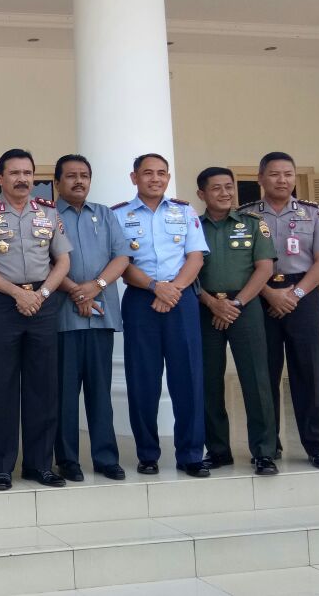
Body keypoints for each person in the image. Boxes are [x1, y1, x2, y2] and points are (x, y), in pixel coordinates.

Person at [0, 149, 72, 489]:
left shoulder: (48, 211)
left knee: (43, 386)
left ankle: (39, 465)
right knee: (2, 385)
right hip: (2, 303)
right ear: (0, 178)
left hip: (43, 302)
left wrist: (40, 295)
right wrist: (17, 294)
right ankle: (2, 466)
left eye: (28, 172)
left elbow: (63, 261)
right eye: (14, 173)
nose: (23, 179)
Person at [114, 153, 209, 477]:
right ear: (134, 177)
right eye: (147, 173)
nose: (155, 179)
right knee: (143, 380)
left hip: (180, 300)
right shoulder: (119, 215)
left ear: (168, 178)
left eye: (161, 173)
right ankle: (147, 453)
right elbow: (122, 264)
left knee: (189, 378)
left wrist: (172, 291)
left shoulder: (183, 211)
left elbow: (195, 258)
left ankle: (191, 453)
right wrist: (156, 288)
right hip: (141, 300)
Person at [242, 151, 319, 469]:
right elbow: (245, 265)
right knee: (263, 373)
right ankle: (267, 446)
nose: (281, 180)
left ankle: (317, 446)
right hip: (260, 292)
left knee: (309, 371)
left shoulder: (314, 213)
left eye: (287, 174)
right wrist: (269, 293)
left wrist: (294, 295)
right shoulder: (246, 216)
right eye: (274, 174)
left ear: (294, 178)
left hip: (304, 294)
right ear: (260, 178)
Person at [195, 167, 280, 476]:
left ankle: (264, 451)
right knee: (208, 381)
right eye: (216, 188)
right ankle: (218, 450)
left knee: (256, 380)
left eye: (229, 187)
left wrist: (236, 303)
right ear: (201, 194)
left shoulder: (253, 224)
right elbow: (186, 270)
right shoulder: (193, 227)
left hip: (245, 307)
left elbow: (264, 269)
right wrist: (212, 303)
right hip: (205, 307)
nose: (225, 193)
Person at [52, 154, 130, 482]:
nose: (79, 181)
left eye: (84, 175)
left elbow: (122, 256)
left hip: (102, 316)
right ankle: (68, 459)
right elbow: (44, 259)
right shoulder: (46, 215)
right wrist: (76, 291)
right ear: (57, 182)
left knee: (100, 392)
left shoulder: (105, 215)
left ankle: (105, 457)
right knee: (65, 395)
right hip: (62, 318)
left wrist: (95, 287)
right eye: (71, 176)